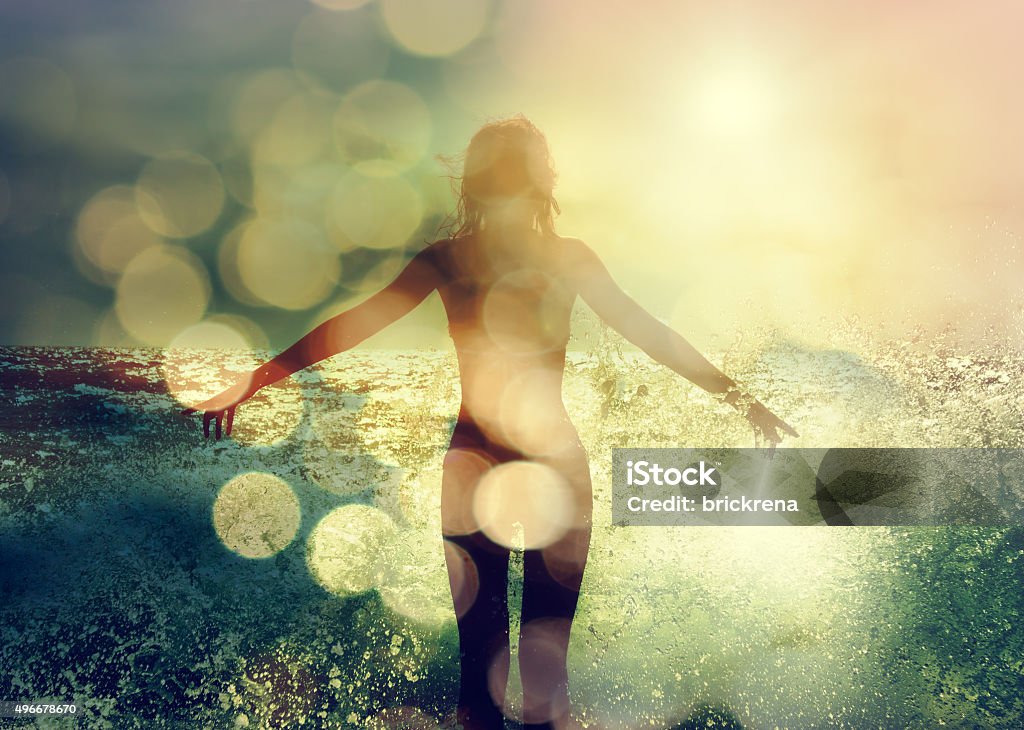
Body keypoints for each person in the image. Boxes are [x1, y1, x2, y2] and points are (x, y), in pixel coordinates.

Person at [183, 116, 798, 729]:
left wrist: (259, 379)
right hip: (544, 468)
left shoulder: (459, 259)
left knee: (487, 682)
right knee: (532, 685)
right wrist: (740, 399)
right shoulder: (540, 259)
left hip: (479, 467)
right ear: (537, 182)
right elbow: (649, 333)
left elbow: (352, 326)